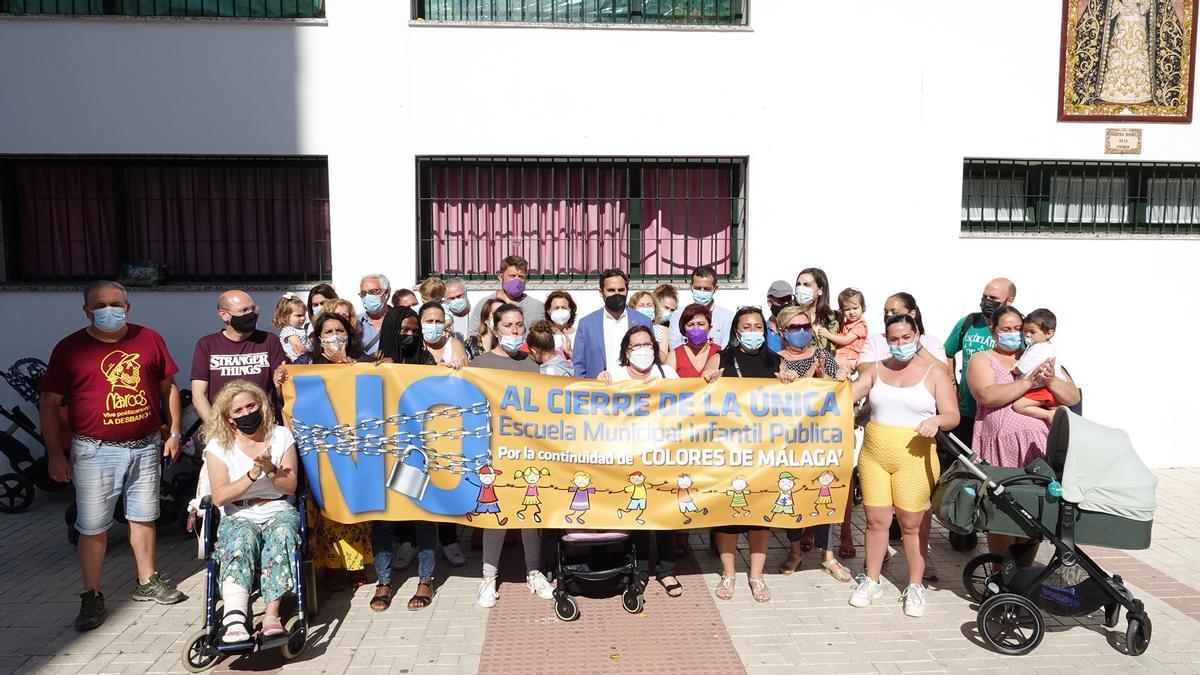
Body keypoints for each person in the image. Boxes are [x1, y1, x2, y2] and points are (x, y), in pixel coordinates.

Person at [41, 280, 186, 631]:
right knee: (92, 528)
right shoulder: (70, 349)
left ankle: (147, 580)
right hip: (94, 450)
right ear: (87, 310)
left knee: (144, 516)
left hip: (145, 444)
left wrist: (175, 431)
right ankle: (91, 595)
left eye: (116, 303)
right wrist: (55, 455)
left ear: (128, 306)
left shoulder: (149, 338)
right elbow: (48, 403)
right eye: (100, 305)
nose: (109, 310)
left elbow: (168, 388)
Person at [848, 314, 959, 617]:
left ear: (917, 336)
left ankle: (915, 585)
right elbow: (848, 395)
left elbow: (953, 415)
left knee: (912, 525)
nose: (899, 345)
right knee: (875, 520)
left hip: (915, 455)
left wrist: (936, 420)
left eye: (905, 338)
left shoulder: (935, 372)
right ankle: (871, 581)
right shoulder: (875, 369)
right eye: (893, 339)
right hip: (874, 454)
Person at [967, 305, 1080, 566]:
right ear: (993, 331)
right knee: (1003, 513)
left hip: (1036, 449)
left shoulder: (1040, 354)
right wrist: (1028, 383)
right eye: (1005, 329)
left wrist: (1051, 381)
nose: (1014, 333)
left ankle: (1023, 573)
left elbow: (1072, 397)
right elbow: (988, 395)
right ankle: (999, 573)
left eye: (1018, 328)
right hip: (999, 449)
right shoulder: (982, 359)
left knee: (1035, 512)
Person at [707, 307, 796, 603]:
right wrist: (707, 380)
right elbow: (699, 395)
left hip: (764, 452)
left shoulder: (777, 362)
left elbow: (794, 403)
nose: (753, 330)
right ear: (736, 330)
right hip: (728, 450)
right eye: (747, 326)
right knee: (728, 515)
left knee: (760, 513)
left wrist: (790, 384)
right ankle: (729, 573)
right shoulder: (721, 358)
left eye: (759, 326)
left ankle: (756, 576)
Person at [203, 381, 300, 642]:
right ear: (229, 418)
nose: (247, 413)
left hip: (277, 506)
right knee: (240, 540)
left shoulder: (280, 436)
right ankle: (235, 616)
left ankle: (271, 615)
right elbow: (221, 495)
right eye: (239, 410)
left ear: (261, 406)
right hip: (239, 512)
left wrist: (270, 468)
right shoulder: (218, 446)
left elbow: (290, 486)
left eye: (251, 406)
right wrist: (253, 474)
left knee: (282, 535)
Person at [470, 305, 554, 608]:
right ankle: (488, 577)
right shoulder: (479, 364)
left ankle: (534, 571)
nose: (515, 331)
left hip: (530, 450)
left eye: (519, 325)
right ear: (495, 328)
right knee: (495, 515)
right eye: (508, 325)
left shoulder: (536, 363)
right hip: (494, 451)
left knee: (531, 513)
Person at [594, 326, 683, 597]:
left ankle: (667, 571)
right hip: (629, 457)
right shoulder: (615, 376)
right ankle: (640, 571)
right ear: (626, 351)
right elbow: (598, 407)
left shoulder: (668, 374)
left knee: (666, 515)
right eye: (636, 346)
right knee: (639, 515)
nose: (643, 350)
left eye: (648, 345)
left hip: (664, 455)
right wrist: (600, 382)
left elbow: (688, 407)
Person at [368, 306, 446, 612]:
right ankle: (384, 581)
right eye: (404, 330)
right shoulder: (371, 366)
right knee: (383, 520)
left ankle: (426, 579)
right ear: (390, 331)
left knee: (424, 516)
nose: (410, 335)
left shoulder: (426, 361)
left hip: (419, 452)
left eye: (415, 331)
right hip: (384, 453)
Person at [772, 306, 851, 582]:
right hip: (788, 442)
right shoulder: (775, 361)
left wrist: (824, 378)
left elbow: (838, 392)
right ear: (782, 331)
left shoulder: (823, 356)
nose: (801, 332)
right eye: (794, 328)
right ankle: (795, 551)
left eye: (806, 326)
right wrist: (805, 381)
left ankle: (828, 555)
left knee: (823, 492)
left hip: (821, 441)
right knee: (790, 494)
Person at [295, 312, 374, 587]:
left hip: (352, 449)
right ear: (318, 338)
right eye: (327, 331)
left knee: (351, 507)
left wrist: (346, 366)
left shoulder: (361, 361)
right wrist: (282, 374)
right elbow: (289, 392)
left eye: (339, 330)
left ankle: (355, 566)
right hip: (317, 450)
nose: (334, 336)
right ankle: (326, 567)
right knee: (322, 509)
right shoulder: (305, 363)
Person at [190, 290, 289, 423]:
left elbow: (282, 389)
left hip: (264, 425)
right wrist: (216, 430)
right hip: (225, 427)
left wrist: (280, 381)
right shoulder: (207, 345)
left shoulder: (269, 341)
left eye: (253, 308)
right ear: (224, 315)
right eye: (244, 310)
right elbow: (198, 395)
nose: (251, 314)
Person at [944, 277, 1016, 449]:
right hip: (966, 411)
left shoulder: (1016, 330)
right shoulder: (968, 323)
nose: (987, 302)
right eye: (985, 297)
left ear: (1009, 301)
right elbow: (947, 352)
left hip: (998, 415)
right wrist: (952, 383)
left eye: (994, 299)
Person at [571, 269, 653, 380]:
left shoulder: (643, 321)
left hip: (634, 389)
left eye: (621, 290)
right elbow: (578, 364)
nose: (616, 294)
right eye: (611, 290)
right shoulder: (587, 324)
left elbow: (652, 356)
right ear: (601, 292)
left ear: (627, 290)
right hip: (599, 390)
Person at [858, 293, 947, 367]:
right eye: (886, 312)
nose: (888, 315)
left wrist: (918, 347)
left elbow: (943, 371)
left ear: (912, 314)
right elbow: (864, 370)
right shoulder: (874, 341)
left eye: (895, 312)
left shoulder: (931, 342)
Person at [466, 254, 545, 338]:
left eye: (521, 277)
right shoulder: (486, 304)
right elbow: (473, 336)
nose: (517, 280)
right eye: (512, 276)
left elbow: (544, 338)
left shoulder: (537, 306)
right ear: (500, 277)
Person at [1011, 308, 1062, 425]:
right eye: (1025, 331)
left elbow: (1021, 369)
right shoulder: (1044, 346)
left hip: (1041, 388)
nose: (1027, 335)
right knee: (1058, 420)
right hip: (1046, 388)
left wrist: (1014, 368)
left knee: (1018, 406)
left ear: (1049, 333)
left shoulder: (1039, 348)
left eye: (1032, 332)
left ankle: (1048, 415)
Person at [668, 265, 733, 349]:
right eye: (698, 288)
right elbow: (674, 344)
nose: (702, 292)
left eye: (707, 289)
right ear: (691, 287)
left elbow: (726, 348)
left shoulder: (728, 317)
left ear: (715, 289)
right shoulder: (678, 315)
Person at [671, 303, 722, 382]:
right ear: (683, 329)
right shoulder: (674, 356)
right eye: (690, 324)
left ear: (710, 328)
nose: (696, 328)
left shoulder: (720, 353)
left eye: (701, 324)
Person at [823, 288, 869, 371]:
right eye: (847, 309)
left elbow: (845, 340)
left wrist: (827, 334)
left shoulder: (860, 325)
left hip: (849, 359)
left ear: (862, 307)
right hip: (842, 357)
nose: (851, 312)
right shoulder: (846, 323)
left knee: (825, 363)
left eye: (855, 308)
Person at [796, 267, 840, 351]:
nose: (800, 288)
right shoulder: (790, 318)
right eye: (798, 284)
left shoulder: (834, 318)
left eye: (806, 285)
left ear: (820, 290)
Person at [415, 301, 468, 369]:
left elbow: (465, 373)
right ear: (419, 322)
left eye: (438, 322)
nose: (434, 325)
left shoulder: (453, 344)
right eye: (429, 321)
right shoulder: (414, 345)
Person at [630, 290, 672, 364]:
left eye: (649, 305)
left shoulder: (663, 330)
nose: (646, 308)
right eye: (641, 305)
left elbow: (664, 359)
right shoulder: (628, 329)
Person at [358, 273, 392, 357]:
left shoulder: (400, 321)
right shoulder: (355, 322)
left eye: (372, 292)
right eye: (363, 293)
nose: (367, 297)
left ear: (386, 293)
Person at [273, 294, 310, 362]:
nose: (303, 318)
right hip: (295, 362)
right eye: (298, 315)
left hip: (304, 360)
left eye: (304, 315)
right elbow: (299, 348)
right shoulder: (288, 330)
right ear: (285, 316)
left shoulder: (300, 330)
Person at [544, 290, 578, 360]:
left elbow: (584, 362)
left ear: (570, 310)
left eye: (564, 308)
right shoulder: (544, 335)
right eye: (556, 308)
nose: (560, 311)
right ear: (549, 311)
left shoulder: (579, 334)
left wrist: (569, 352)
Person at [764, 280, 795, 352]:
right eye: (781, 299)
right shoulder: (762, 331)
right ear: (770, 303)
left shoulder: (797, 330)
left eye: (789, 299)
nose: (786, 303)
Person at [443, 278, 472, 342]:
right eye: (452, 298)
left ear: (465, 293)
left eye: (459, 296)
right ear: (445, 299)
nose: (456, 300)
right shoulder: (444, 319)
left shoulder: (476, 314)